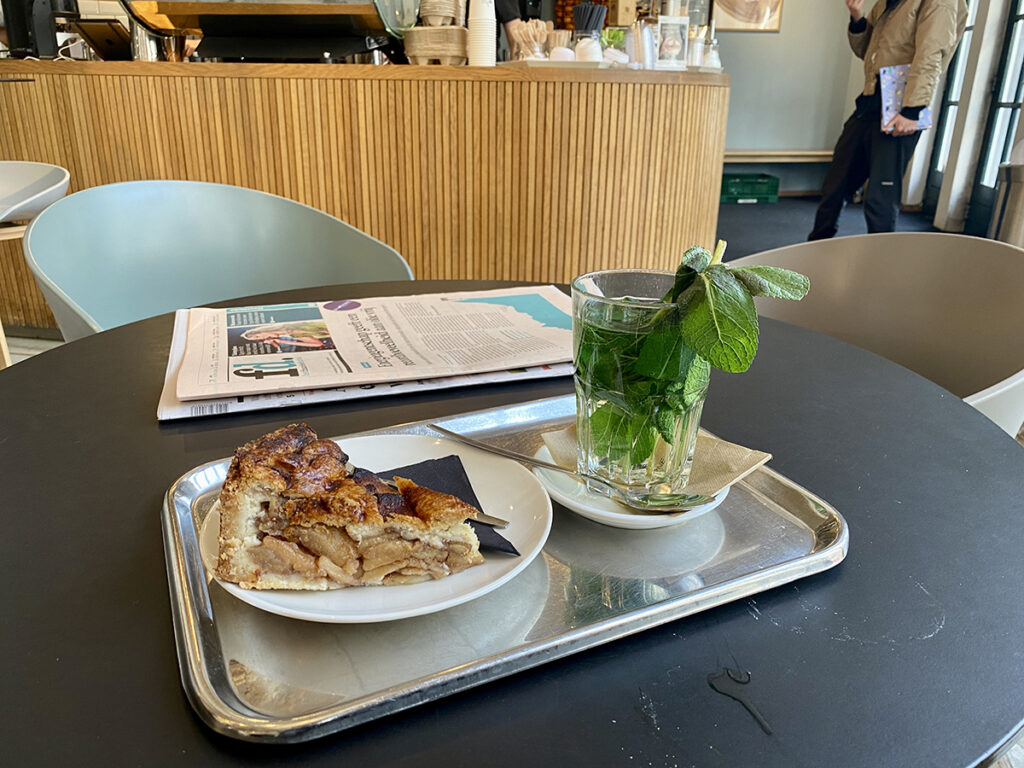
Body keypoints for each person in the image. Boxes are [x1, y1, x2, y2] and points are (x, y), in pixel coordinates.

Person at [808, 0, 967, 240]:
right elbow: (868, 52)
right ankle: (816, 249)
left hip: (903, 107)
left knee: (880, 200)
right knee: (835, 187)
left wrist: (913, 110)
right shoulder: (886, 2)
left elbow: (931, 53)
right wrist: (857, 18)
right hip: (869, 103)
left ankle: (881, 259)